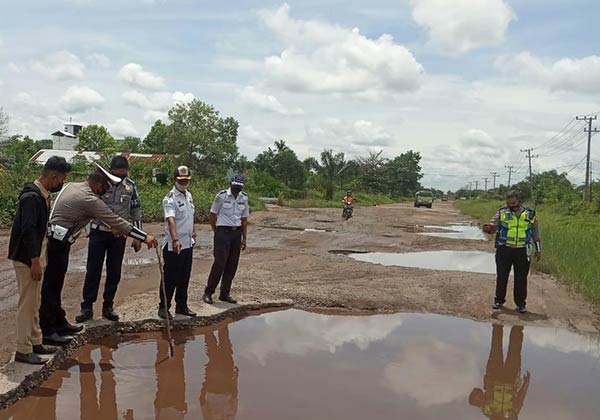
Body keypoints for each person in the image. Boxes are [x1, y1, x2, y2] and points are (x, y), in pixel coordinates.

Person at [40, 164, 158, 345]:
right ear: (98, 185)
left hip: (59, 240)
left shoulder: (74, 185)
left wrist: (116, 228)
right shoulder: (90, 199)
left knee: (56, 284)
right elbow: (114, 219)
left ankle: (59, 322)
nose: (106, 191)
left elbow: (115, 217)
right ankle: (48, 331)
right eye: (106, 188)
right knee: (52, 287)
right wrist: (145, 237)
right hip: (57, 243)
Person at [8, 156, 71, 364]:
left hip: (35, 257)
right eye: (61, 179)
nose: (60, 183)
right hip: (27, 258)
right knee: (27, 304)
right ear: (53, 176)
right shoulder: (32, 198)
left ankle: (35, 342)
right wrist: (34, 260)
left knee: (35, 302)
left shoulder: (41, 195)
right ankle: (23, 349)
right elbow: (27, 231)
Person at [76, 156, 143, 323]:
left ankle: (108, 306)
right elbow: (91, 207)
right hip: (99, 233)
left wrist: (138, 236)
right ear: (110, 170)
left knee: (114, 271)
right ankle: (87, 307)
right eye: (117, 175)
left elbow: (135, 211)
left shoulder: (131, 187)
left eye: (123, 175)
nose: (120, 179)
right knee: (93, 270)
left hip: (119, 236)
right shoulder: (101, 184)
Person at [482, 191, 541, 313]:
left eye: (513, 203)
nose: (511, 206)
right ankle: (499, 301)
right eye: (508, 203)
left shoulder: (530, 214)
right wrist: (489, 229)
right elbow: (493, 226)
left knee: (521, 278)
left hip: (522, 250)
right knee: (502, 276)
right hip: (504, 249)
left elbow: (535, 233)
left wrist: (538, 250)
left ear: (520, 201)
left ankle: (520, 304)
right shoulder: (502, 212)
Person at [202, 175, 249, 305]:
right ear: (230, 184)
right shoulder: (221, 196)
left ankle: (224, 293)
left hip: (236, 233)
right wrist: (217, 232)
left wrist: (244, 239)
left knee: (232, 264)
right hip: (222, 232)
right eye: (235, 186)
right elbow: (212, 216)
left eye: (239, 187)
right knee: (219, 263)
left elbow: (244, 220)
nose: (236, 189)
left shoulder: (244, 198)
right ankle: (208, 292)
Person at [158, 166, 196, 320]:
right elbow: (171, 219)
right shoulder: (169, 198)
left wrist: (193, 231)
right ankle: (163, 307)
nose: (185, 182)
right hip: (174, 245)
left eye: (187, 179)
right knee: (170, 278)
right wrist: (175, 239)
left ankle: (182, 306)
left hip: (188, 244)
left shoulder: (188, 195)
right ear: (175, 179)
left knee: (184, 277)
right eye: (182, 180)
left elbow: (188, 216)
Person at [469, 325, 531, 420]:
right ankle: (518, 325)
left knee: (496, 347)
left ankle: (498, 324)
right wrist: (526, 383)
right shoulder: (512, 417)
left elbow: (477, 393)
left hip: (494, 375)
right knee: (514, 350)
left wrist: (474, 399)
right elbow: (520, 399)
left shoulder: (486, 410)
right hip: (511, 379)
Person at [200, 324, 239, 420]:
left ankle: (209, 328)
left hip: (214, 386)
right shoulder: (230, 417)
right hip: (224, 386)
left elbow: (202, 403)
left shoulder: (209, 418)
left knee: (214, 352)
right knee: (224, 349)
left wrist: (204, 385)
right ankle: (221, 325)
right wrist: (235, 379)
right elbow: (234, 397)